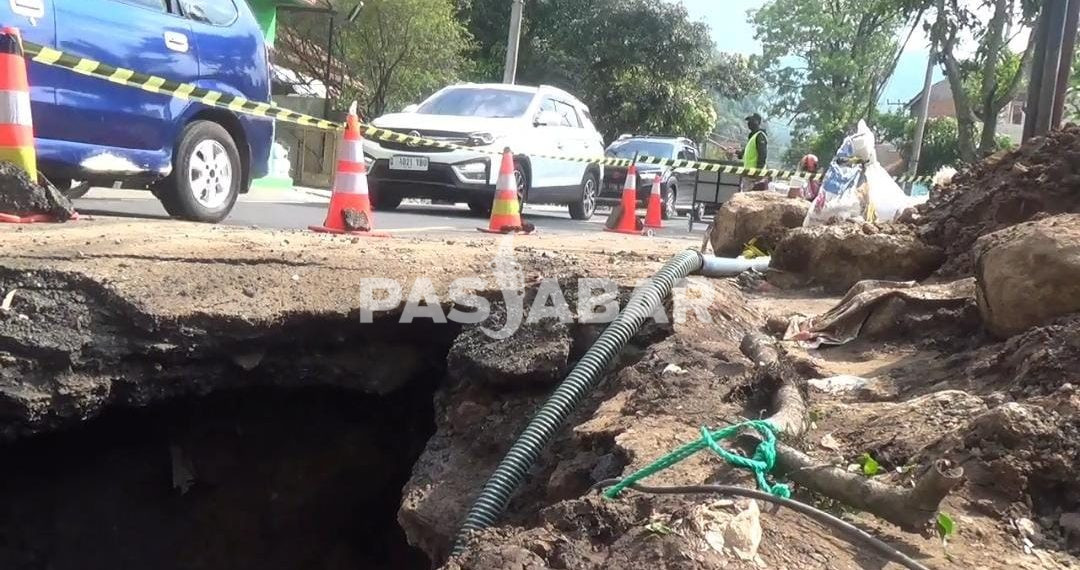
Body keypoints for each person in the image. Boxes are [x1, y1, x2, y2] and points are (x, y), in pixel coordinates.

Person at [738, 113, 769, 191]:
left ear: (757, 122)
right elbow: (746, 153)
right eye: (749, 121)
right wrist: (736, 152)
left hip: (754, 176)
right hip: (748, 174)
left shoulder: (760, 136)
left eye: (752, 121)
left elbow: (762, 155)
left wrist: (758, 172)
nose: (749, 123)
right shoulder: (752, 137)